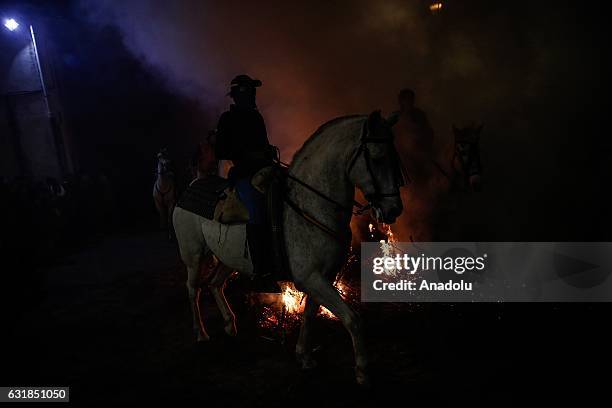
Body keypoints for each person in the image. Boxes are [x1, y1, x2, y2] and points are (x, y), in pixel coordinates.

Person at [214, 74, 279, 292]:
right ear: (240, 94)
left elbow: (264, 144)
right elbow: (221, 150)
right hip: (243, 174)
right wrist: (248, 155)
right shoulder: (227, 119)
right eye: (250, 91)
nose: (254, 96)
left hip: (264, 169)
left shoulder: (256, 117)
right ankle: (261, 271)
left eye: (254, 92)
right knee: (257, 210)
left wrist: (267, 151)